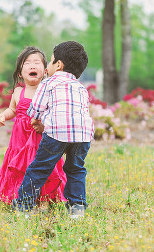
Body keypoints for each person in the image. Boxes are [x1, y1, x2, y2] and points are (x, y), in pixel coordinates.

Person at [15, 40, 95, 219]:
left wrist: (36, 119)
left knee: (40, 168)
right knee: (76, 169)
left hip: (57, 133)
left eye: (50, 62)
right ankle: (77, 207)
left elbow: (36, 107)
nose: (48, 66)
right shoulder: (81, 88)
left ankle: (24, 205)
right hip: (82, 135)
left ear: (58, 65)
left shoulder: (48, 83)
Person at [0, 46, 66, 206]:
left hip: (40, 139)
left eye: (37, 63)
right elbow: (13, 109)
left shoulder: (47, 90)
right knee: (20, 167)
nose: (32, 66)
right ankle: (18, 196)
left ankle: (45, 198)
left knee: (41, 165)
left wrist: (45, 125)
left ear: (45, 71)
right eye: (27, 63)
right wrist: (3, 115)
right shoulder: (18, 92)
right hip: (20, 141)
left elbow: (54, 113)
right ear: (20, 73)